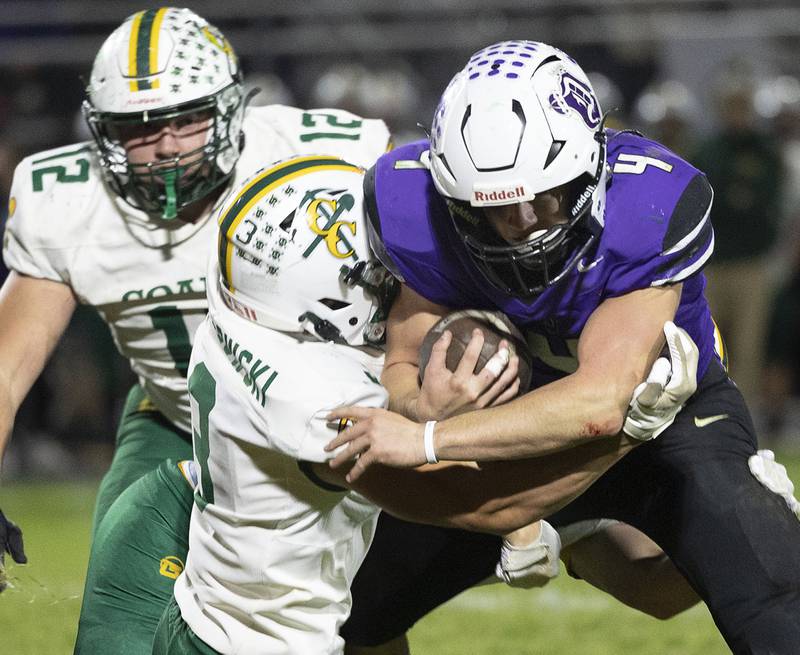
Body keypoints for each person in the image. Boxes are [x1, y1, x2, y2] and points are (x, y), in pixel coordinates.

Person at [326, 41, 800, 653]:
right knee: (349, 612)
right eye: (493, 209)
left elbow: (605, 404)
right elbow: (402, 366)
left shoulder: (647, 204)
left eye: (543, 197)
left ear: (590, 166)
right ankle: (581, 531)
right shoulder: (412, 207)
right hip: (502, 416)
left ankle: (600, 535)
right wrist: (425, 410)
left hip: (664, 414)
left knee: (756, 602)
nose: (523, 223)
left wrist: (423, 441)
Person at [150, 156, 699, 655]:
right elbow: (488, 507)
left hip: (233, 609)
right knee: (367, 622)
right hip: (269, 643)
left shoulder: (246, 314)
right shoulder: (313, 402)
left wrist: (426, 413)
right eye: (380, 277)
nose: (399, 283)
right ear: (326, 304)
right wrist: (627, 430)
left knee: (371, 619)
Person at [0, 6, 393, 653]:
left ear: (233, 109)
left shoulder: (319, 154)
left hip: (332, 426)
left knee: (368, 621)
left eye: (188, 119)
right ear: (100, 134)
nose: (167, 146)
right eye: (139, 128)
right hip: (177, 413)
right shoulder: (66, 202)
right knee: (117, 623)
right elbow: (8, 370)